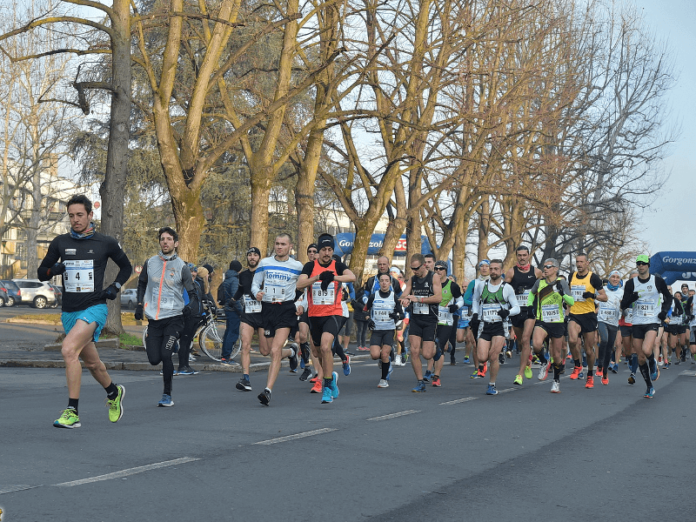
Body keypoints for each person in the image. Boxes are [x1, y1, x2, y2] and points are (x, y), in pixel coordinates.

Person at [38, 194, 132, 429]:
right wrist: (53, 270)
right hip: (70, 311)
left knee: (68, 350)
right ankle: (114, 393)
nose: (75, 220)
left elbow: (126, 267)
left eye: (80, 215)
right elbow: (42, 273)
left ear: (90, 215)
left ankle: (72, 412)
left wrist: (115, 287)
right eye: (71, 216)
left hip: (95, 307)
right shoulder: (60, 242)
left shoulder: (105, 242)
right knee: (92, 363)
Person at [136, 227, 199, 407]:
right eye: (162, 239)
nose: (165, 242)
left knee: (165, 354)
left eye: (169, 239)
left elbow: (193, 293)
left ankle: (167, 395)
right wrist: (139, 305)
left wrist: (189, 306)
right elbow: (142, 284)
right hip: (155, 320)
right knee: (154, 359)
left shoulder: (182, 267)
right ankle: (172, 345)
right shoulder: (150, 263)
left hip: (174, 318)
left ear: (175, 243)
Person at [297, 234, 356, 404]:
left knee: (325, 346)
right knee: (317, 352)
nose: (327, 253)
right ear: (318, 251)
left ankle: (327, 386)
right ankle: (332, 377)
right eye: (324, 250)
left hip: (333, 313)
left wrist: (333, 277)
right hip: (315, 315)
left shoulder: (337, 265)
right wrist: (317, 277)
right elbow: (299, 285)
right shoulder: (310, 266)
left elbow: (352, 277)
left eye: (330, 250)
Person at [251, 234, 304, 406]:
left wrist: (301, 304)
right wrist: (256, 293)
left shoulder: (297, 266)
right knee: (266, 351)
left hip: (286, 309)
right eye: (277, 243)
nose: (279, 247)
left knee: (275, 350)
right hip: (267, 308)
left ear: (290, 246)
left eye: (283, 244)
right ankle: (291, 352)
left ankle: (267, 390)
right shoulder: (265, 263)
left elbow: (305, 288)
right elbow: (255, 284)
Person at [620, 254, 672, 398]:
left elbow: (668, 297)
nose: (641, 266)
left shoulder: (657, 281)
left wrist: (663, 312)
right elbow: (623, 304)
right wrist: (632, 298)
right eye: (639, 263)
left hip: (652, 320)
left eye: (643, 263)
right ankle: (649, 386)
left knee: (646, 349)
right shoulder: (630, 283)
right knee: (641, 358)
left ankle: (653, 363)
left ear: (648, 265)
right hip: (637, 321)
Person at [471, 259, 520, 395]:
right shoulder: (481, 285)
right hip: (485, 325)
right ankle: (495, 356)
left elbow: (517, 307)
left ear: (501, 271)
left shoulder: (507, 288)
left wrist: (507, 312)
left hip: (499, 326)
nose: (493, 271)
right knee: (482, 358)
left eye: (496, 269)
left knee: (493, 357)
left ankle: (491, 384)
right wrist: (475, 313)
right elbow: (475, 300)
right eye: (491, 269)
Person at [527, 258, 574, 393]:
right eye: (544, 266)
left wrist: (562, 293)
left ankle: (556, 381)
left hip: (557, 322)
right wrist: (530, 306)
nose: (545, 269)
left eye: (549, 266)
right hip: (542, 320)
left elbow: (571, 302)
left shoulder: (561, 282)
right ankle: (543, 361)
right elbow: (531, 294)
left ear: (556, 269)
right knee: (536, 344)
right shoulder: (539, 282)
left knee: (557, 355)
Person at [400, 254, 442, 392]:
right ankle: (420, 382)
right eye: (412, 268)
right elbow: (404, 294)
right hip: (416, 319)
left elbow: (438, 298)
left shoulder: (433, 277)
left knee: (427, 355)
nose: (414, 271)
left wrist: (419, 299)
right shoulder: (412, 279)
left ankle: (437, 348)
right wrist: (405, 300)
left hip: (430, 319)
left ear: (424, 265)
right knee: (414, 350)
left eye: (416, 268)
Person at [567, 253, 608, 388]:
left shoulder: (593, 277)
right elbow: (568, 294)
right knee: (572, 340)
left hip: (589, 315)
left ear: (587, 263)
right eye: (577, 262)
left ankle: (590, 374)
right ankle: (577, 365)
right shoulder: (571, 276)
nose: (579, 264)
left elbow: (605, 297)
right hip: (574, 314)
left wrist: (592, 295)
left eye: (581, 262)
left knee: (589, 350)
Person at [504, 246, 542, 385]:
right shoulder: (511, 272)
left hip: (530, 311)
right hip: (516, 311)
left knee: (526, 339)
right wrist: (513, 291)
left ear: (528, 256)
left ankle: (520, 374)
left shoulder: (536, 272)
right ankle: (528, 358)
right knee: (520, 343)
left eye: (524, 255)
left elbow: (543, 289)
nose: (522, 258)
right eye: (519, 255)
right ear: (517, 256)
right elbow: (504, 291)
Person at [233, 247, 267, 392]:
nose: (252, 257)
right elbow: (241, 290)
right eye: (250, 255)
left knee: (265, 351)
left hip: (263, 315)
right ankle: (245, 378)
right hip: (248, 314)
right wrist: (232, 299)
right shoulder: (243, 275)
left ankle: (291, 352)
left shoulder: (264, 274)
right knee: (245, 345)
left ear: (259, 258)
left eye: (255, 255)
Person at [365, 273, 405, 387]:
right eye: (382, 281)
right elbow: (365, 310)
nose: (384, 283)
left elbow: (402, 314)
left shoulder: (394, 297)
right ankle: (387, 355)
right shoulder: (373, 296)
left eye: (386, 281)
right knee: (374, 355)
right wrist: (368, 319)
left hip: (389, 330)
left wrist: (396, 316)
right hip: (376, 330)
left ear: (390, 283)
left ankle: (383, 380)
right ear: (379, 283)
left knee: (384, 355)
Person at [430, 261, 463, 386]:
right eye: (436, 269)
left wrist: (456, 306)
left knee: (439, 346)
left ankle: (436, 376)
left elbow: (461, 300)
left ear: (446, 270)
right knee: (430, 348)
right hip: (432, 321)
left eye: (441, 269)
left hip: (446, 321)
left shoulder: (452, 286)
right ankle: (432, 368)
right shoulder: (430, 284)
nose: (438, 271)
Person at [175, 263, 205, 375]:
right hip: (187, 316)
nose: (193, 273)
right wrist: (184, 310)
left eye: (195, 271)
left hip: (196, 316)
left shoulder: (197, 284)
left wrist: (203, 313)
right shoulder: (183, 285)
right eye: (190, 271)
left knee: (188, 342)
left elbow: (199, 300)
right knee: (184, 341)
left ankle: (186, 365)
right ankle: (182, 366)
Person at [463, 260, 491, 376]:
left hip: (491, 317)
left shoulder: (495, 282)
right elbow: (465, 299)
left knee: (488, 342)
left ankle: (486, 360)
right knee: (475, 343)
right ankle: (478, 368)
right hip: (476, 316)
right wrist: (477, 304)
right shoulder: (473, 283)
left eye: (486, 266)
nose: (484, 268)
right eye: (481, 266)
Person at [596, 271, 623, 384]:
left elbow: (625, 308)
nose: (615, 279)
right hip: (602, 320)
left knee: (610, 348)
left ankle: (605, 372)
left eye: (617, 277)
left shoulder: (622, 292)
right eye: (613, 277)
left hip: (614, 322)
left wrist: (623, 307)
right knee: (604, 340)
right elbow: (595, 302)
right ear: (609, 278)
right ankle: (600, 364)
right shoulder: (602, 290)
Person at [220, 260, 242, 364]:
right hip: (233, 310)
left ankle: (225, 355)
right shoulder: (235, 280)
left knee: (228, 332)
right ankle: (226, 356)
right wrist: (241, 311)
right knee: (232, 333)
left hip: (228, 308)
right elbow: (235, 297)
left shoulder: (227, 278)